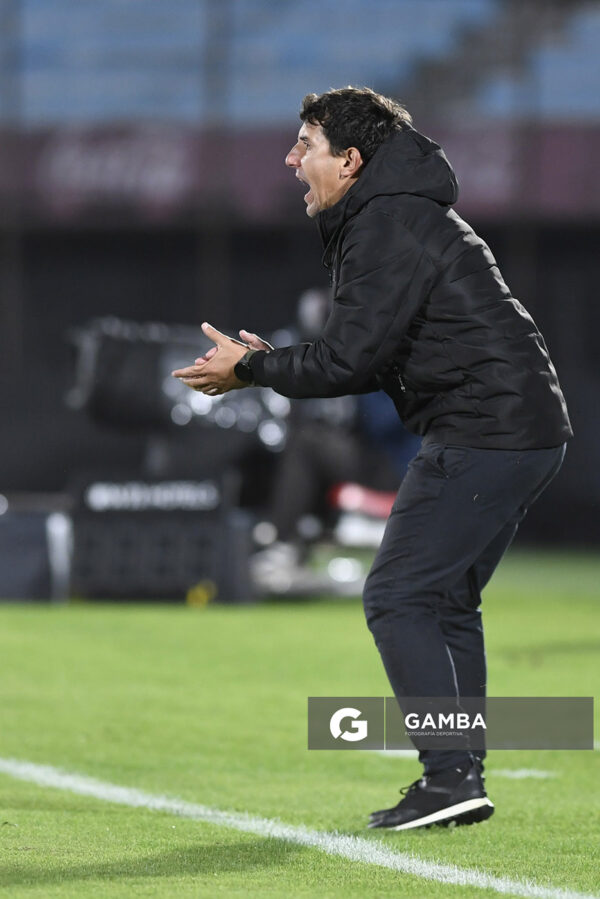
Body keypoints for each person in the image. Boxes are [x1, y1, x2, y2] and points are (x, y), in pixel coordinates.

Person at [173, 87, 572, 831]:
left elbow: (346, 361)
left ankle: (450, 775)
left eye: (306, 145)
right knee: (446, 600)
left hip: (485, 429)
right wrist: (275, 362)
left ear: (350, 160)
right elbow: (354, 353)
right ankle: (460, 778)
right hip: (518, 427)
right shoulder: (395, 211)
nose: (292, 159)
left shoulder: (385, 221)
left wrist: (250, 371)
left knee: (397, 596)